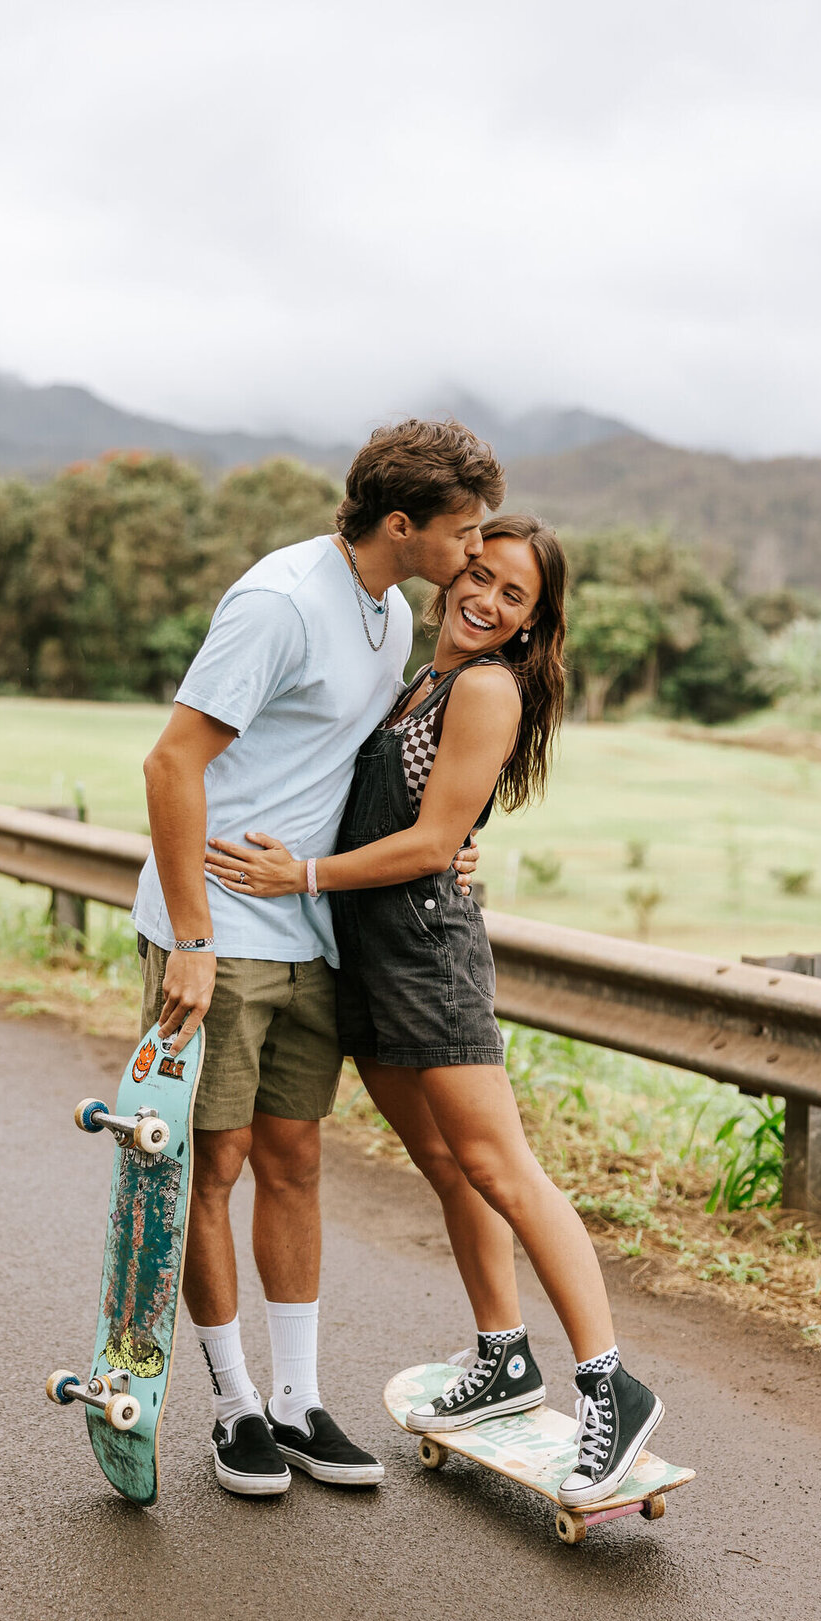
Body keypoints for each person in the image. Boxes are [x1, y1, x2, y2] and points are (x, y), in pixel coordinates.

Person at [203, 515, 664, 1506]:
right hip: (363, 960)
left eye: (514, 597)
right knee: (447, 1167)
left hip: (424, 956)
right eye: (481, 574)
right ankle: (504, 1355)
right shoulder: (413, 672)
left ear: (533, 626)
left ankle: (610, 1385)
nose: (487, 599)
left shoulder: (488, 686)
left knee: (501, 1168)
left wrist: (305, 876)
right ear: (451, 566)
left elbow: (429, 842)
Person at [132, 419, 505, 1498]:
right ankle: (234, 1404)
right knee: (217, 1167)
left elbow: (362, 765)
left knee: (295, 1163)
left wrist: (449, 842)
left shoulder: (388, 616)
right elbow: (170, 766)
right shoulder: (281, 601)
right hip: (222, 933)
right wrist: (192, 939)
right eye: (465, 531)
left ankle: (296, 1403)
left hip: (312, 934)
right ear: (404, 524)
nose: (475, 553)